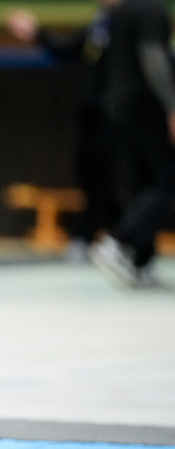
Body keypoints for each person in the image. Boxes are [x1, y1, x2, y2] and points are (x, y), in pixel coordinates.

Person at [6, 8, 120, 261]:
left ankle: (118, 237)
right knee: (88, 172)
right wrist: (37, 33)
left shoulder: (131, 20)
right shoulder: (100, 23)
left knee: (113, 174)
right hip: (92, 113)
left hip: (117, 115)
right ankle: (90, 235)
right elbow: (70, 50)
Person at [88, 0, 175, 287]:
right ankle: (117, 241)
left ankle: (141, 261)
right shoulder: (150, 9)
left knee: (142, 180)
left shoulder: (119, 12)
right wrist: (172, 106)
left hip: (118, 103)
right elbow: (153, 57)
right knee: (168, 181)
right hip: (143, 103)